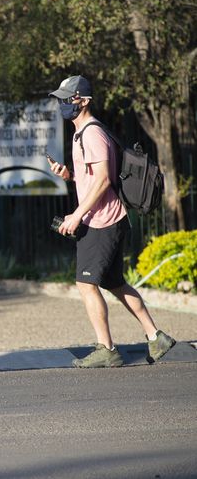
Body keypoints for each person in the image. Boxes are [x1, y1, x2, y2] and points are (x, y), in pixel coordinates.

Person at [48, 75, 176, 368]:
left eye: (68, 98)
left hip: (102, 222)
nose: (63, 104)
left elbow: (105, 179)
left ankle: (107, 348)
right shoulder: (83, 133)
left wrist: (77, 215)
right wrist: (69, 175)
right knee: (115, 283)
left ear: (83, 100)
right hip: (106, 219)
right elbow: (95, 176)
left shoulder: (92, 133)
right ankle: (156, 337)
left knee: (85, 284)